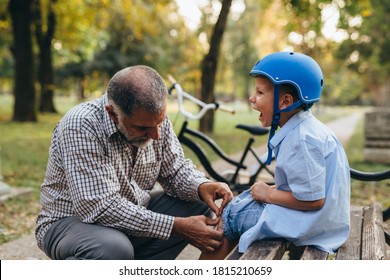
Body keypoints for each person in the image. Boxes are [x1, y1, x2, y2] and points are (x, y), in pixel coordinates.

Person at [35, 65, 232, 260]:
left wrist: (202, 186)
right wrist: (176, 226)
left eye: (160, 124)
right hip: (70, 222)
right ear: (113, 114)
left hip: (128, 219)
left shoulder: (153, 120)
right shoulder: (80, 125)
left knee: (197, 201)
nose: (155, 135)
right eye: (143, 128)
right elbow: (99, 207)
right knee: (114, 249)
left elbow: (175, 170)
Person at [200, 51, 351, 260]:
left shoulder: (302, 140)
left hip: (313, 224)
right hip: (319, 220)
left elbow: (313, 200)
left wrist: (268, 194)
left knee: (231, 216)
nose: (252, 99)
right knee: (241, 202)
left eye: (260, 93)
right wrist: (267, 191)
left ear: (285, 101)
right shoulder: (305, 129)